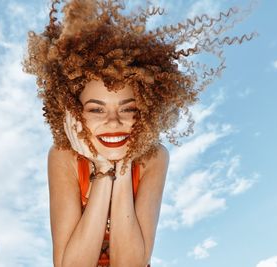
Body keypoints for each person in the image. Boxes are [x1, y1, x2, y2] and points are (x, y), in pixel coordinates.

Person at [23, 0, 255, 266]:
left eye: (128, 110)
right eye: (96, 110)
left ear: (145, 111)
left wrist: (120, 168)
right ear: (75, 114)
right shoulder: (63, 156)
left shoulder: (154, 157)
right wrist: (101, 170)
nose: (113, 122)